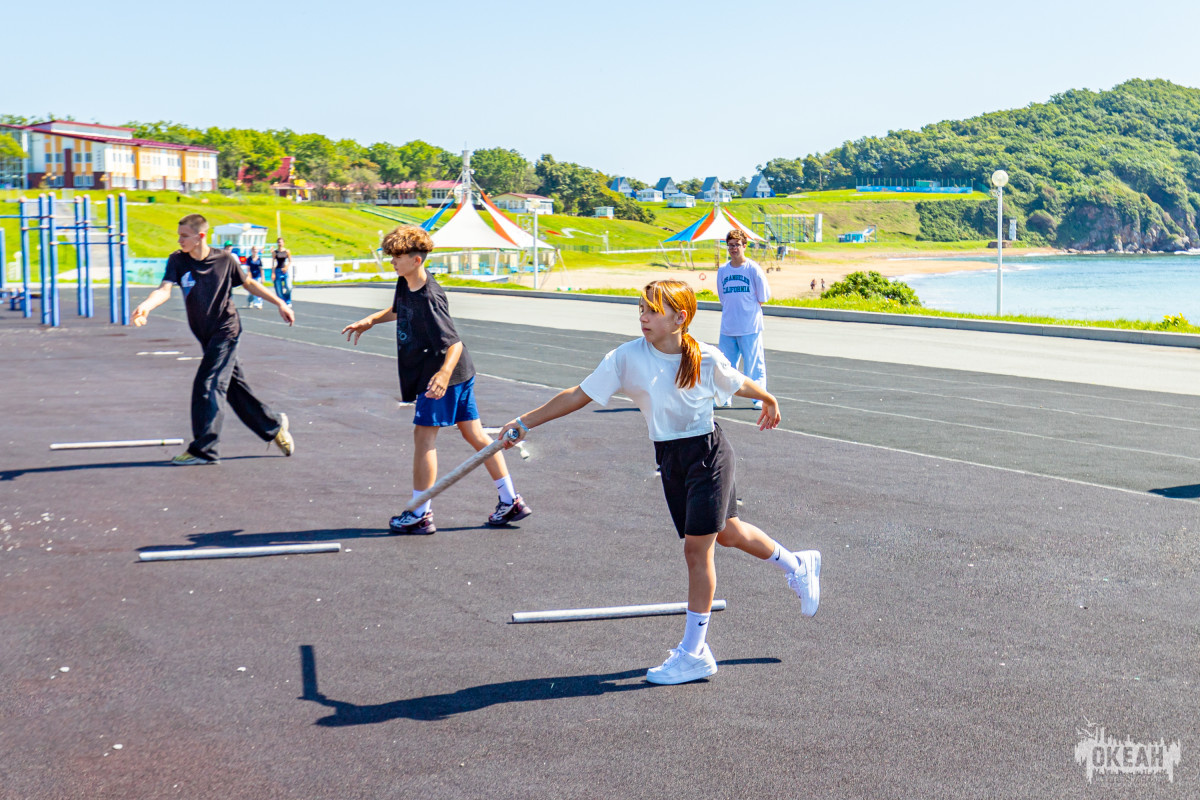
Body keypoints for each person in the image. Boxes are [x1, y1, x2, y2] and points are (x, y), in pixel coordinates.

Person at [499, 280, 819, 686]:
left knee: (696, 548)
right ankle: (798, 564)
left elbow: (738, 382)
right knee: (730, 533)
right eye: (641, 309)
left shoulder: (703, 358)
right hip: (670, 458)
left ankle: (694, 653)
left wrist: (769, 399)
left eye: (652, 310)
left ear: (679, 318)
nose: (643, 317)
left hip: (707, 454)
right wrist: (524, 422)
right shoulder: (625, 357)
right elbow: (578, 395)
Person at [340, 225, 530, 534]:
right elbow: (400, 309)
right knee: (475, 435)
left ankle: (420, 513)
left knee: (424, 438)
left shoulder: (430, 297)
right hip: (458, 373)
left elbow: (453, 342)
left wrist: (442, 375)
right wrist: (371, 320)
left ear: (416, 260)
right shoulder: (406, 284)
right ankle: (510, 501)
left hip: (443, 375)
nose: (392, 262)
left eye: (397, 257)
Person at [131, 214, 296, 466]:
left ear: (200, 237)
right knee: (233, 388)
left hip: (226, 330)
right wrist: (146, 306)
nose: (179, 240)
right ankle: (273, 425)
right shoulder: (178, 260)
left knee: (208, 384)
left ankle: (203, 450)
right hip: (205, 334)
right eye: (179, 235)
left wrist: (280, 302)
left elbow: (248, 283)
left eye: (184, 236)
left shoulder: (224, 259)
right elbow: (164, 289)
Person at [715, 229, 771, 410]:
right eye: (730, 245)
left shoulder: (752, 269)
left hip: (749, 326)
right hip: (728, 327)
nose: (733, 249)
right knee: (725, 366)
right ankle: (724, 397)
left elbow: (763, 297)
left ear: (744, 246)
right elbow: (723, 297)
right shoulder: (723, 270)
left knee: (754, 365)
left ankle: (758, 398)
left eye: (737, 245)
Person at [272, 238, 292, 307]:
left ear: (283, 243)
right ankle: (283, 303)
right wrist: (273, 273)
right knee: (279, 290)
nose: (280, 244)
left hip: (285, 270)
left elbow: (290, 261)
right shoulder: (275, 252)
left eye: (281, 242)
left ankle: (288, 300)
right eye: (278, 242)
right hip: (278, 270)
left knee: (289, 287)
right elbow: (273, 263)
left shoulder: (287, 251)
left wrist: (286, 267)